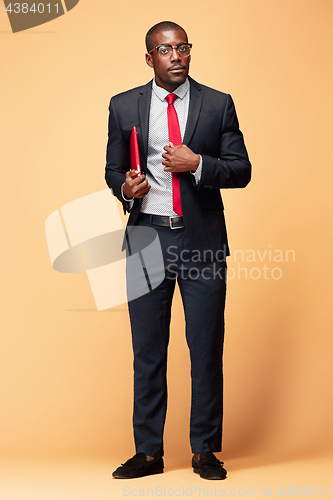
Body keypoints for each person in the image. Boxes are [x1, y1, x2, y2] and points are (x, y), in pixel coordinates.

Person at [105, 21, 251, 480]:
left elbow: (241, 169)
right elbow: (112, 170)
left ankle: (205, 449)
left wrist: (199, 164)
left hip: (201, 241)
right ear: (150, 58)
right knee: (147, 350)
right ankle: (149, 452)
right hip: (146, 237)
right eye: (165, 50)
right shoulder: (124, 105)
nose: (177, 56)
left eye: (183, 47)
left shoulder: (218, 104)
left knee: (205, 349)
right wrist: (126, 189)